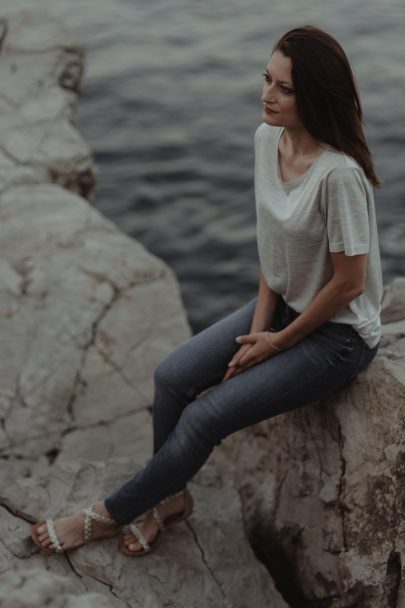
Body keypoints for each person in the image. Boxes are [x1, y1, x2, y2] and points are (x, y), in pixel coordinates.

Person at [31, 25, 383, 557]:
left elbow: (349, 284)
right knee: (171, 376)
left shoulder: (339, 176)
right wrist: (260, 327)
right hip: (284, 307)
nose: (267, 94)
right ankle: (169, 499)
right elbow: (273, 251)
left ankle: (105, 516)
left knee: (203, 418)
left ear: (314, 94)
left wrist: (278, 342)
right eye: (267, 79)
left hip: (337, 337)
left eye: (284, 88)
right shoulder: (267, 140)